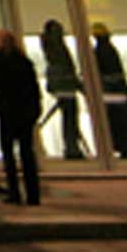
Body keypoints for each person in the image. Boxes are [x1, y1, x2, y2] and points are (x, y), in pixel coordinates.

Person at [0, 29, 42, 206]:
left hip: (8, 111)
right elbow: (33, 86)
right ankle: (33, 194)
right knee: (27, 153)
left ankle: (14, 192)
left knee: (8, 153)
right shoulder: (24, 61)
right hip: (25, 110)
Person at [91, 24, 127, 159]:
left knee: (116, 121)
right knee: (125, 120)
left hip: (108, 93)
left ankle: (123, 147)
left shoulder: (97, 52)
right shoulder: (110, 50)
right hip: (118, 91)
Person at [39, 19, 87, 159]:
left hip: (61, 86)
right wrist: (78, 85)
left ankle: (72, 146)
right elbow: (66, 67)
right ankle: (72, 147)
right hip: (65, 86)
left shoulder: (50, 47)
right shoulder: (58, 48)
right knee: (70, 118)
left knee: (69, 117)